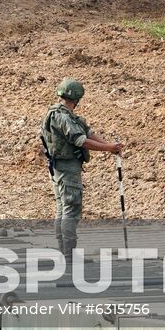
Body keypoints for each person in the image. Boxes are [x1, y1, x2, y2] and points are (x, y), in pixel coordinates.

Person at [39, 78, 123, 255]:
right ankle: (68, 254)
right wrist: (108, 148)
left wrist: (110, 146)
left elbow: (88, 131)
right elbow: (82, 140)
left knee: (62, 209)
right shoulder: (63, 117)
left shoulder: (61, 114)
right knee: (70, 209)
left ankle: (64, 252)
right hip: (66, 169)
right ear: (77, 99)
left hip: (59, 168)